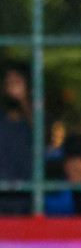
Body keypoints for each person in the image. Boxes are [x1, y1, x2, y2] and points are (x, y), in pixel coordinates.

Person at [0, 65, 34, 214]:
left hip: (28, 199)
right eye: (9, 83)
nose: (13, 87)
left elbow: (44, 137)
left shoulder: (37, 117)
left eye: (18, 82)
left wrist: (23, 100)